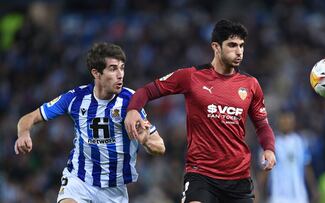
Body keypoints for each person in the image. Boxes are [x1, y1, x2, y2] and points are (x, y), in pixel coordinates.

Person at [124, 19, 276, 203]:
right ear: (216, 47)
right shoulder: (191, 76)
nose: (239, 51)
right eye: (232, 45)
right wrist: (133, 109)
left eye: (242, 46)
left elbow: (261, 124)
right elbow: (146, 91)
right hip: (201, 175)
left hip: (239, 178)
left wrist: (269, 149)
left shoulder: (251, 84)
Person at [14, 42, 165, 203]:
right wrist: (24, 134)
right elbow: (29, 118)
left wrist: (146, 140)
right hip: (79, 181)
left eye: (122, 68)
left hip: (114, 189)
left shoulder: (131, 101)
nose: (120, 74)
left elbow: (160, 147)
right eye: (113, 69)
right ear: (96, 73)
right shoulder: (75, 98)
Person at [257, 110, 318, 203]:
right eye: (283, 120)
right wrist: (258, 191)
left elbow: (307, 167)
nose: (286, 122)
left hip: (299, 196)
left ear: (293, 122)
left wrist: (314, 189)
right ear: (279, 122)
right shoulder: (271, 144)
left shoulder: (301, 142)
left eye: (288, 119)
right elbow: (265, 171)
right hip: (278, 197)